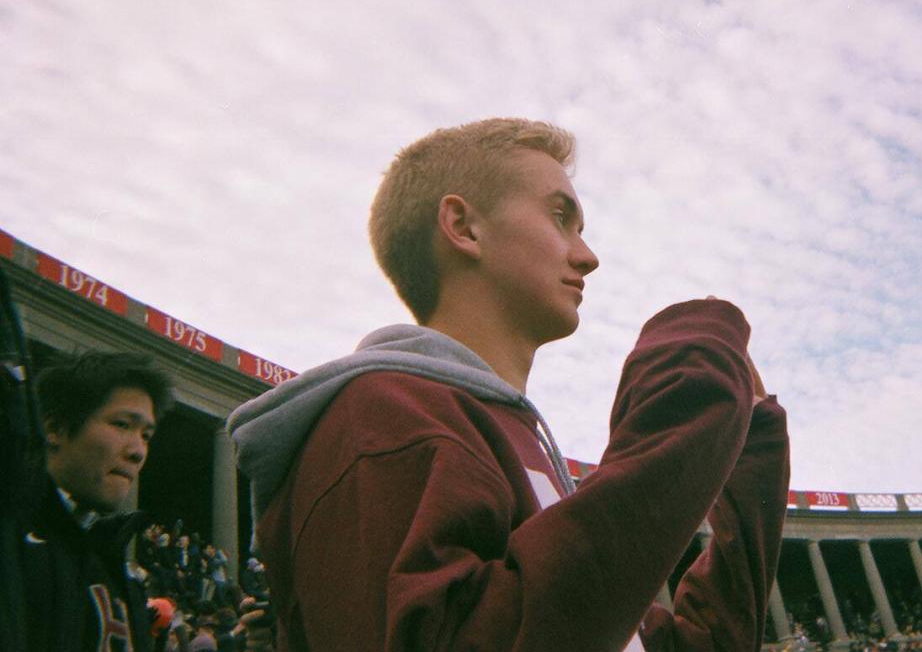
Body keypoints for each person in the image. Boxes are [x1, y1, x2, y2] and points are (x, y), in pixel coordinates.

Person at [228, 117, 791, 651]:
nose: (588, 256)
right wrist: (693, 373)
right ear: (464, 228)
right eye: (559, 217)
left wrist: (753, 448)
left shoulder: (507, 442)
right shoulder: (381, 415)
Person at [17, 346, 174, 650]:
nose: (138, 451)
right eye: (122, 425)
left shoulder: (116, 569)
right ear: (55, 428)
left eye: (146, 436)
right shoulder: (12, 539)